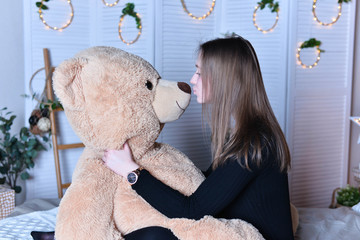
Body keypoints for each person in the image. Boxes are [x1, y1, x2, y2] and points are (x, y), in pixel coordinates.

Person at [103, 36, 294, 240]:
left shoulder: (254, 142)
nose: (193, 79)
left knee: (156, 236)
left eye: (200, 73)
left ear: (225, 80)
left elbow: (192, 210)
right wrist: (155, 164)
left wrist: (132, 172)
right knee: (155, 230)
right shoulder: (245, 135)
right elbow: (208, 186)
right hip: (236, 230)